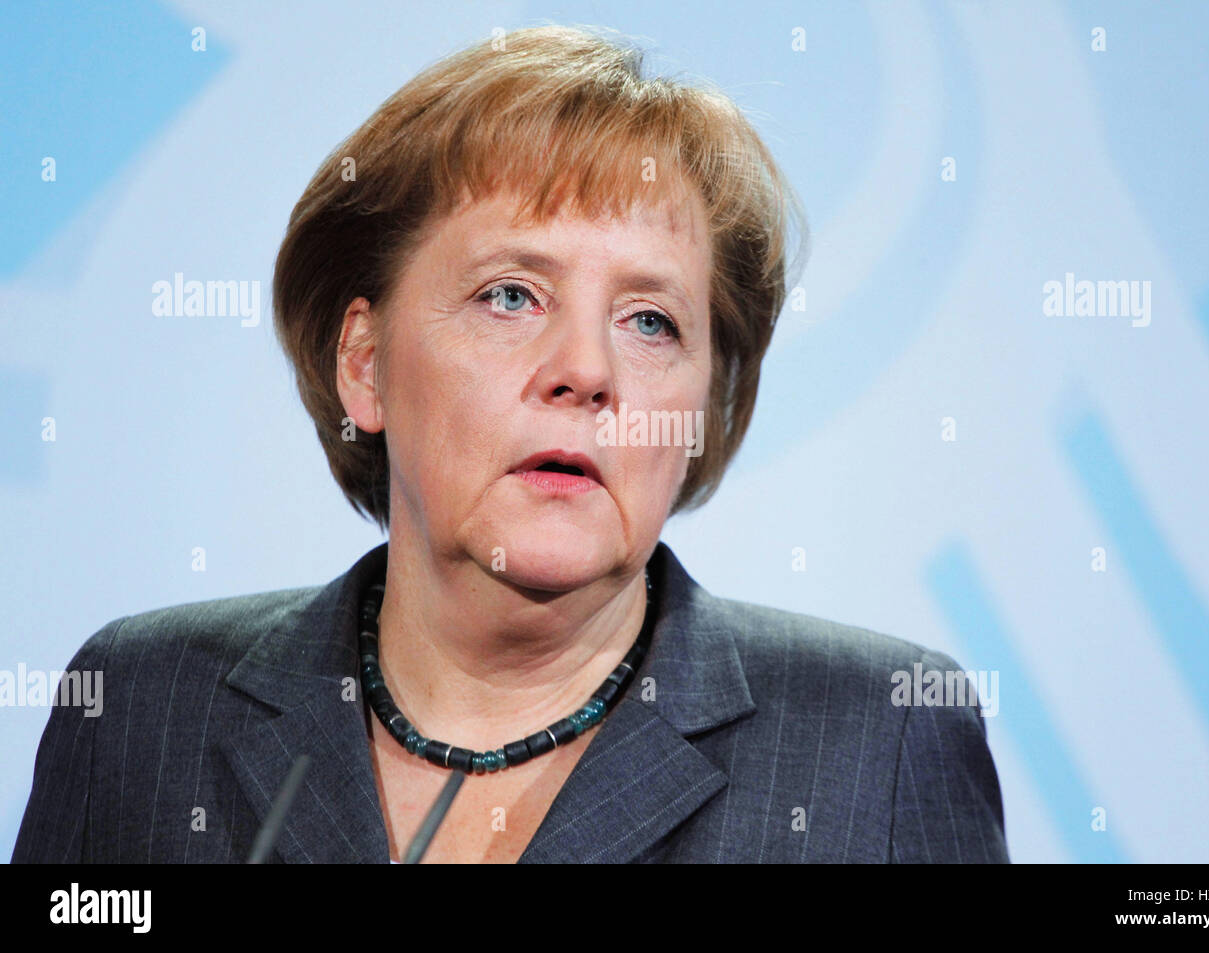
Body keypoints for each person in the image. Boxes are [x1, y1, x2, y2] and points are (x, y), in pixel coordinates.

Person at [11, 24, 1009, 863]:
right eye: (510, 295)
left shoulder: (875, 741)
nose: (587, 369)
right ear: (363, 362)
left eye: (651, 320)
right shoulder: (145, 708)